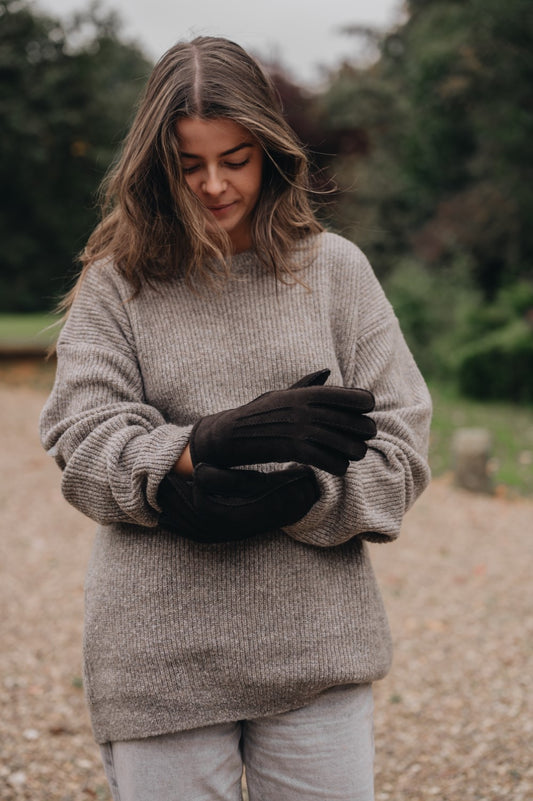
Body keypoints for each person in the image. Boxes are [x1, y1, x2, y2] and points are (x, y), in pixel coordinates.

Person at [40, 36, 432, 801]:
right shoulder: (118, 281)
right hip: (158, 657)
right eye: (190, 165)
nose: (215, 184)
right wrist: (195, 450)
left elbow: (403, 445)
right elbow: (79, 438)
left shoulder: (334, 271)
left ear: (270, 153)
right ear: (158, 165)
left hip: (316, 649)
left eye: (236, 158)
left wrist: (304, 497)